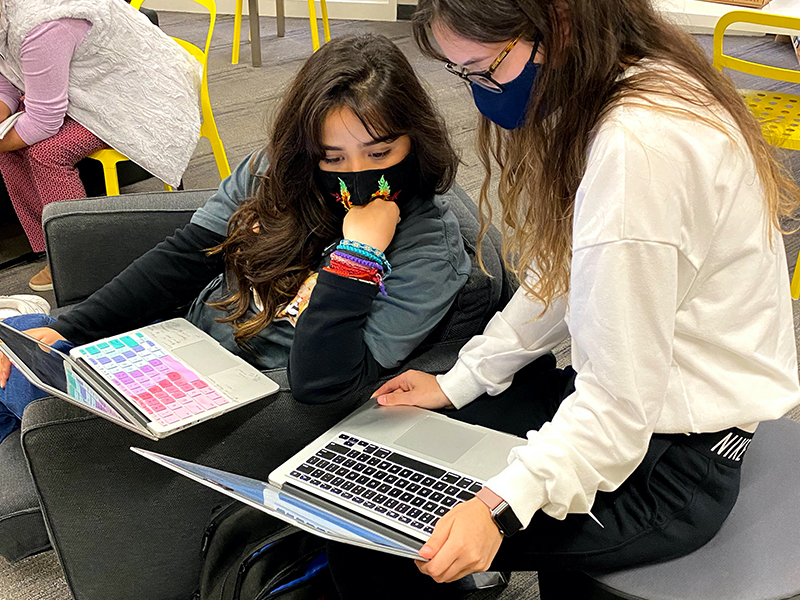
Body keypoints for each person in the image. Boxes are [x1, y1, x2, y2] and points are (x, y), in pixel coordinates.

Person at [323, 1, 800, 597]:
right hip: (641, 411)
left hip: (676, 464)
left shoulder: (639, 149)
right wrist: (463, 378)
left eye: (483, 70)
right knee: (378, 465)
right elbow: (570, 275)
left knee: (370, 527)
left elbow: (618, 407)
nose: (480, 94)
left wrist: (499, 506)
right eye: (461, 74)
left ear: (560, 28)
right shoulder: (630, 80)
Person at [0, 33, 470, 443]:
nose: (358, 175)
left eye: (380, 152)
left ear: (414, 141)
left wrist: (358, 258)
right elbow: (187, 256)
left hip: (252, 403)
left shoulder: (428, 250)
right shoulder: (276, 172)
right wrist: (70, 327)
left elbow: (322, 383)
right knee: (14, 349)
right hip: (181, 345)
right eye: (334, 159)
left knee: (25, 392)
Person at [0, 0, 202, 291]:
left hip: (136, 96)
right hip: (90, 83)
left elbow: (45, 121)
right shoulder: (12, 16)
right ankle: (51, 246)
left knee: (47, 152)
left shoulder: (40, 27)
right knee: (11, 148)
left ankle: (81, 255)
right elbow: (8, 77)